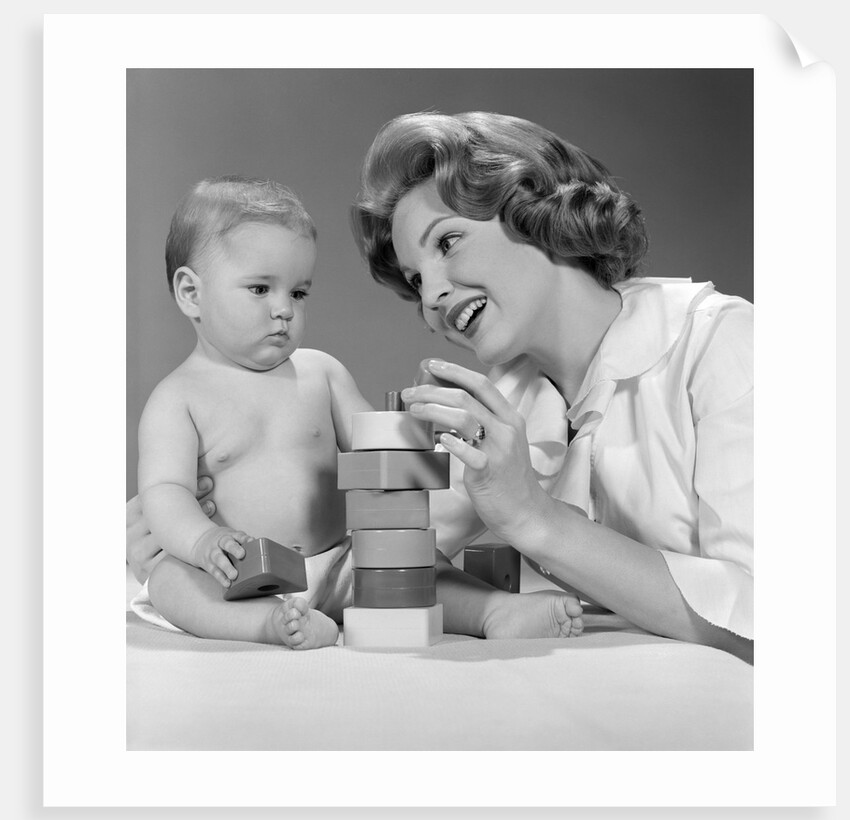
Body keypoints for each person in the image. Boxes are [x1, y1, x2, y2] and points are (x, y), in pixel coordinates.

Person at [349, 111, 753, 663]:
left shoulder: (726, 342)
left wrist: (533, 517)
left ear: (534, 210)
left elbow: (785, 623)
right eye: (416, 279)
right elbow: (385, 566)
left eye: (447, 242)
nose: (431, 297)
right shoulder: (507, 399)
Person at [131, 175, 584, 650]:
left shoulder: (320, 374)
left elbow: (382, 454)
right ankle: (269, 625)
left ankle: (496, 611)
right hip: (243, 573)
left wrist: (417, 418)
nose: (284, 309)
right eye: (261, 289)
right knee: (170, 581)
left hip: (342, 560)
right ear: (190, 293)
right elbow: (165, 491)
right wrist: (203, 543)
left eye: (299, 293)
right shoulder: (177, 398)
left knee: (420, 565)